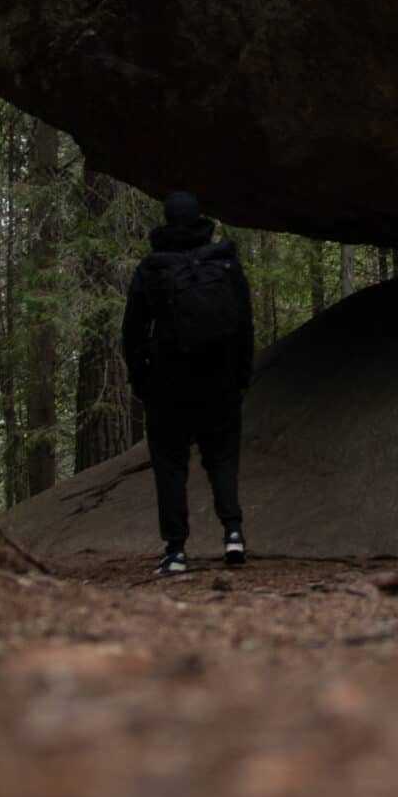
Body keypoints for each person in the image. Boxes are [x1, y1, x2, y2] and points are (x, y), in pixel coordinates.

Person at [120, 190, 256, 575]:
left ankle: (176, 550)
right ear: (200, 220)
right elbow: (244, 323)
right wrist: (241, 374)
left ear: (166, 221)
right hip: (220, 378)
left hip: (169, 381)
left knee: (170, 464)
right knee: (222, 457)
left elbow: (132, 331)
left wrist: (141, 379)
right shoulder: (225, 263)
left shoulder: (152, 269)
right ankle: (233, 534)